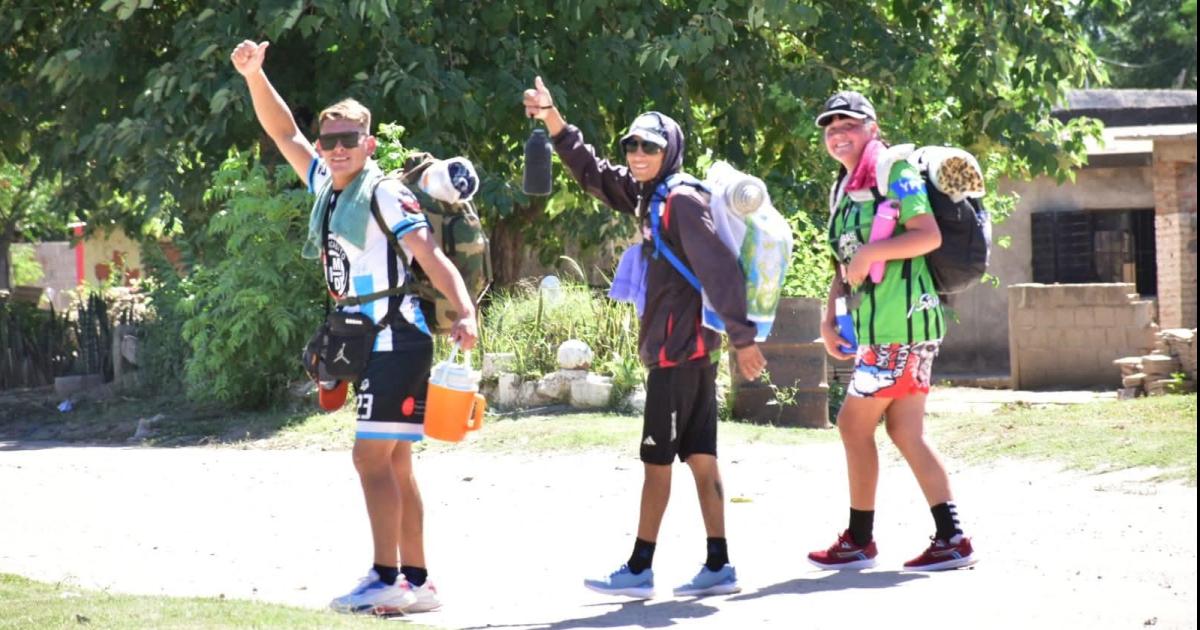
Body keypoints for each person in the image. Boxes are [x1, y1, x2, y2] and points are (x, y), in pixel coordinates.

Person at [231, 40, 479, 614]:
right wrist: (254, 76)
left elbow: (429, 254)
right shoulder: (325, 182)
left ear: (368, 144)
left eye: (349, 139)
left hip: (397, 338)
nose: (337, 148)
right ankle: (418, 582)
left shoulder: (385, 192)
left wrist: (464, 309)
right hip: (367, 342)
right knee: (395, 462)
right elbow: (284, 132)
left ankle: (386, 576)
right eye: (330, 141)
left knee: (369, 459)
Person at [522, 76, 767, 598]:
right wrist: (551, 118)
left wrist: (744, 338)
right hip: (688, 349)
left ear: (669, 151)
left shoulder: (680, 201)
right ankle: (719, 565)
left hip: (678, 351)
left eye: (649, 147)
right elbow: (593, 173)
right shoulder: (648, 194)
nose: (637, 154)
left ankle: (639, 569)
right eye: (631, 145)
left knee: (657, 462)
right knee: (700, 456)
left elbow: (720, 269)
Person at [808, 91, 976, 571]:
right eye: (831, 127)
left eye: (849, 124)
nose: (838, 133)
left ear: (872, 128)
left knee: (852, 424)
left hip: (902, 326)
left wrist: (871, 253)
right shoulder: (845, 187)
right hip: (878, 327)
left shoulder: (894, 170)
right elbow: (844, 262)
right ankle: (952, 538)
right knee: (905, 431)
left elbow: (927, 234)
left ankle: (861, 540)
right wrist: (828, 316)